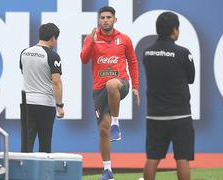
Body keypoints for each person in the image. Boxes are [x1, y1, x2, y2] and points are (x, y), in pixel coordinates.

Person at [80, 6, 140, 180]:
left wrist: (135, 86)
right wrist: (91, 41)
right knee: (103, 131)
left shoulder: (124, 39)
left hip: (120, 85)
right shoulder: (92, 38)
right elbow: (84, 59)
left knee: (112, 84)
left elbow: (133, 62)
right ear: (99, 20)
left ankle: (116, 123)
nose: (105, 20)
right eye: (102, 18)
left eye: (108, 17)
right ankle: (107, 170)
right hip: (99, 90)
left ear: (115, 19)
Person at [142, 12, 195, 180]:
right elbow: (191, 78)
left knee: (152, 159)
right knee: (182, 158)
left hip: (155, 115)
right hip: (181, 115)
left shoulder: (147, 53)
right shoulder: (183, 53)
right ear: (174, 30)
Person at [19, 23, 64, 153]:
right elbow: (56, 82)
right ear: (53, 38)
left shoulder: (24, 52)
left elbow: (24, 73)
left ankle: (25, 173)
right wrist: (59, 105)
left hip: (27, 103)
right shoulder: (53, 55)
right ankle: (43, 174)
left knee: (26, 144)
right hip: (45, 104)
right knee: (45, 145)